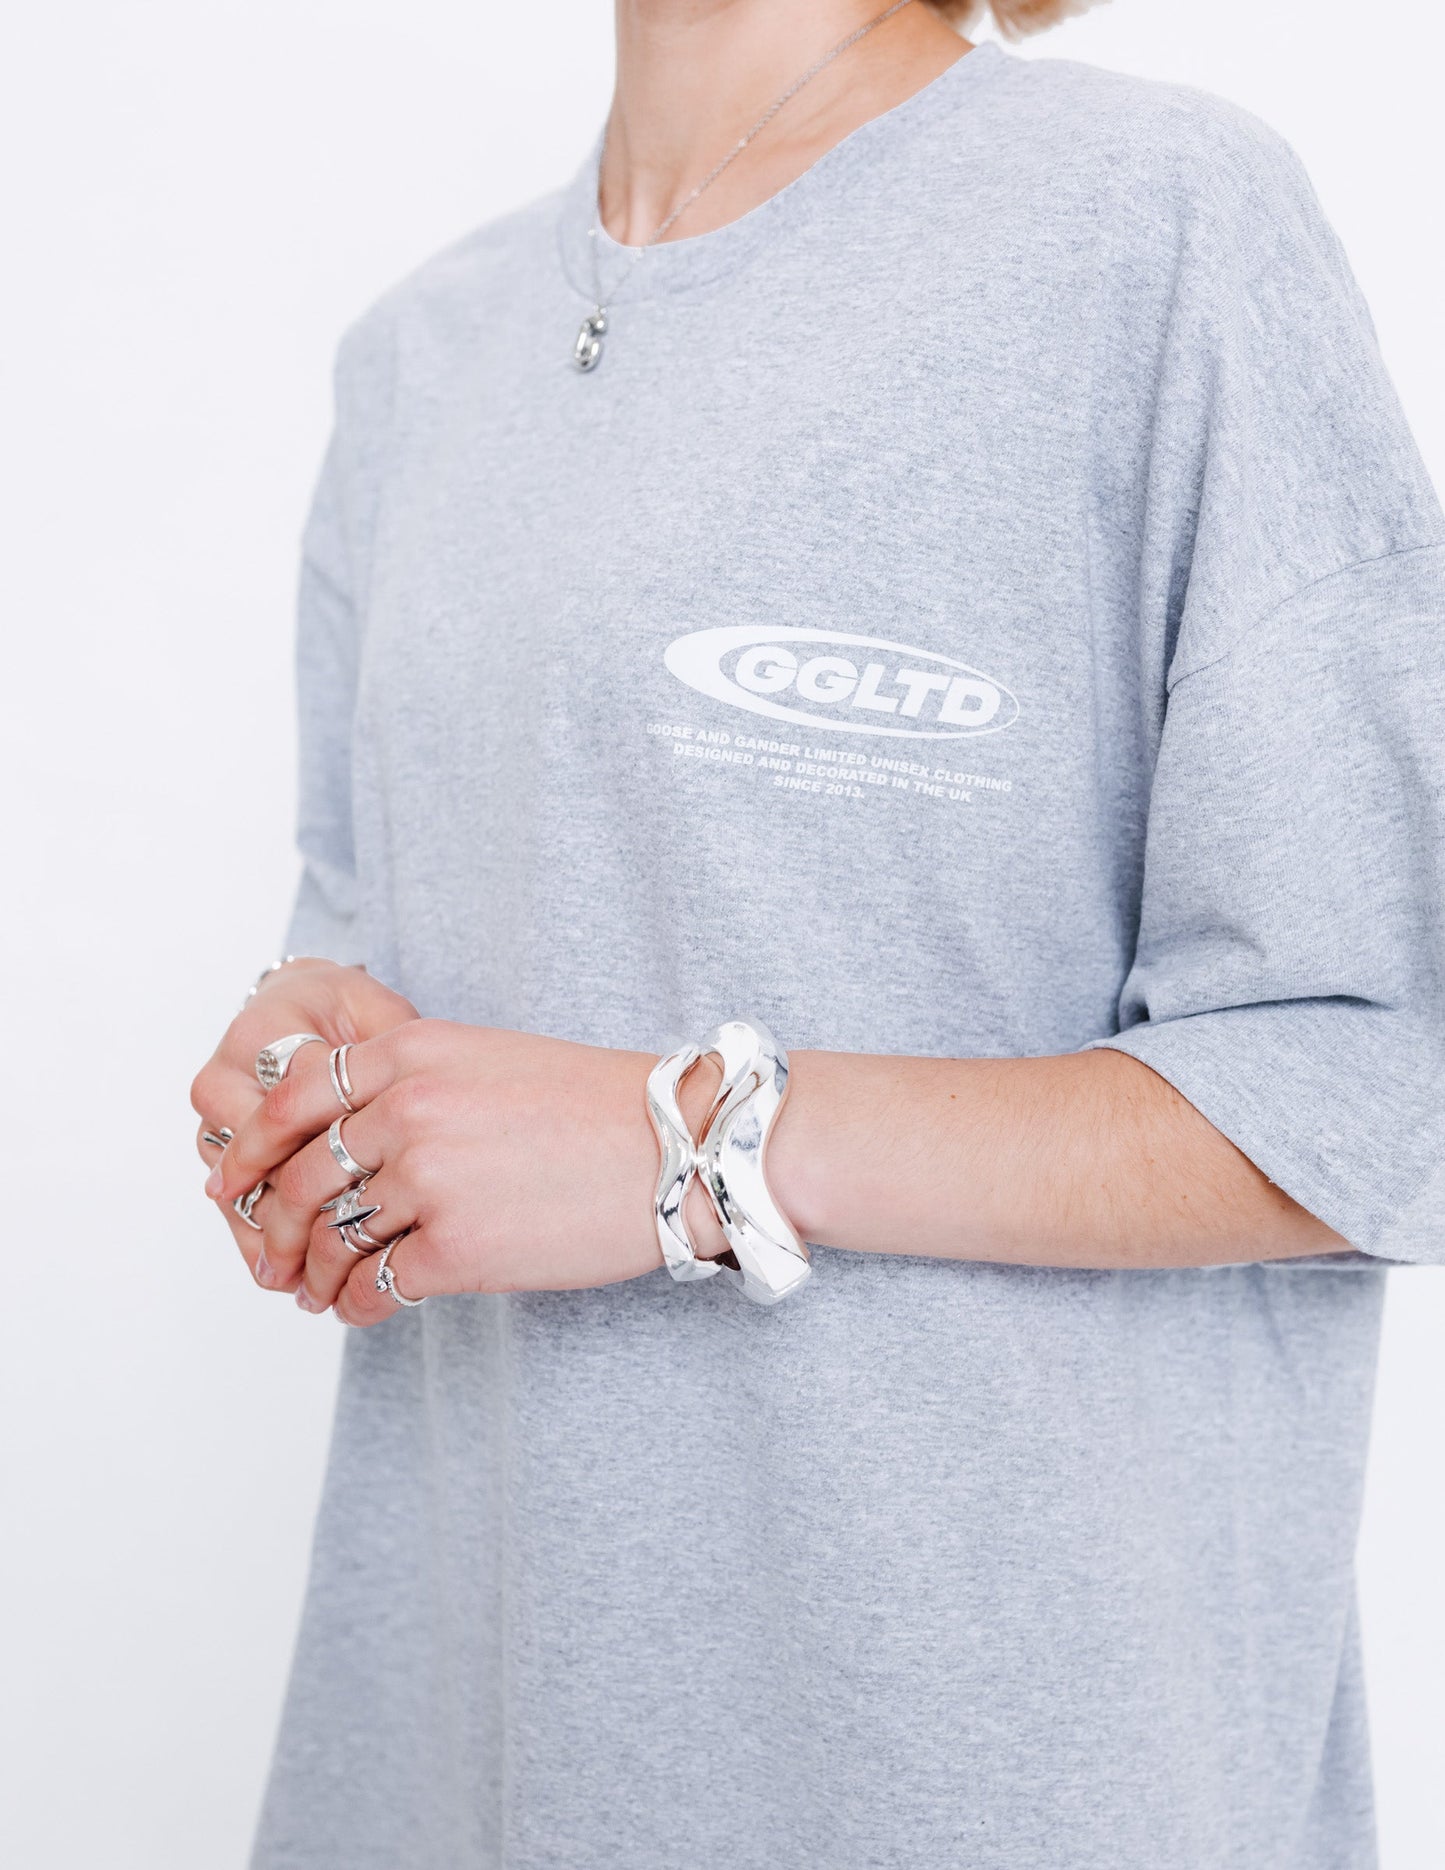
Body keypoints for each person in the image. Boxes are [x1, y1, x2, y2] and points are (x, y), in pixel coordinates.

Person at [191, 1, 1445, 1864]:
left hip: (977, 1774)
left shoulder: (1152, 221)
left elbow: (1376, 1075)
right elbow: (385, 984)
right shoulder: (417, 357)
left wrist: (690, 1140)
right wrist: (310, 1082)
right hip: (460, 1761)